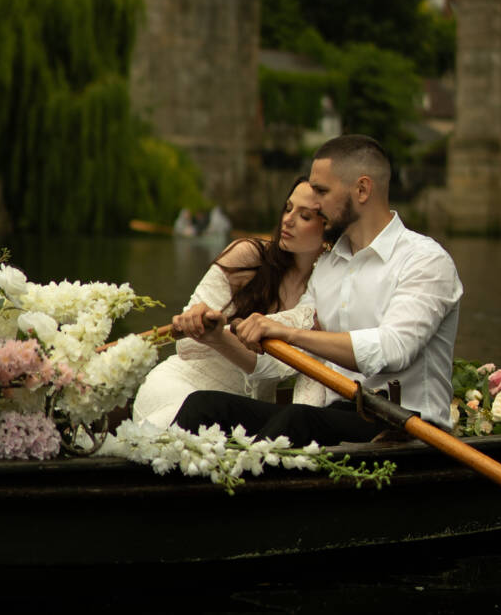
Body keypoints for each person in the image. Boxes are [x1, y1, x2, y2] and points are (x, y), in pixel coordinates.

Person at [173, 134, 463, 446]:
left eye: (322, 191)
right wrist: (219, 338)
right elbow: (287, 359)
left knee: (297, 419)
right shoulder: (328, 266)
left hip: (405, 425)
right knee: (204, 406)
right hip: (334, 416)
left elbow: (391, 350)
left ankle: (237, 490)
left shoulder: (425, 260)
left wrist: (290, 333)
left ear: (362, 189)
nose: (315, 203)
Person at [131, 177, 328, 428]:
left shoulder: (325, 293)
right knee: (163, 438)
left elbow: (284, 371)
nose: (287, 220)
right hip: (180, 388)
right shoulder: (247, 256)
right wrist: (202, 325)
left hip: (242, 415)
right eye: (288, 208)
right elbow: (187, 347)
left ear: (328, 228)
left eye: (305, 216)